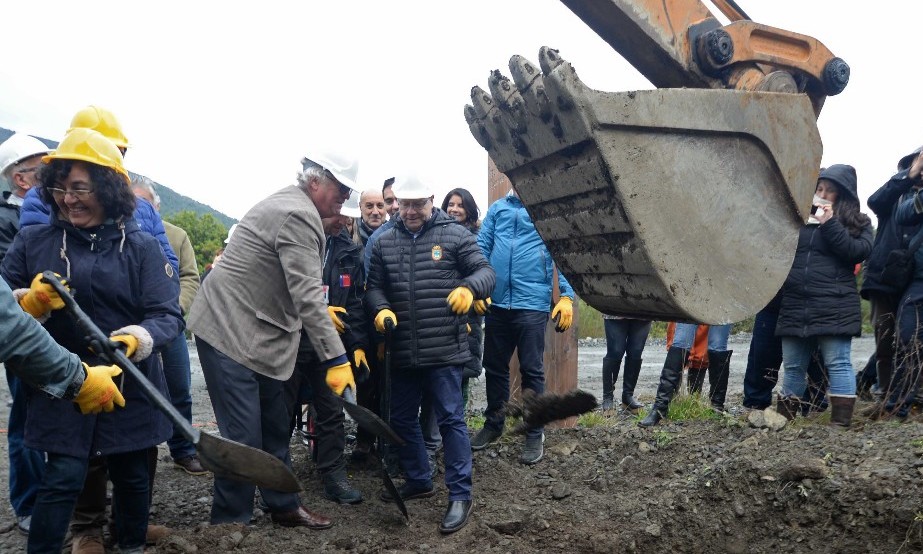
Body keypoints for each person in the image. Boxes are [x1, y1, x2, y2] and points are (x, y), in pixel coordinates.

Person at [0, 127, 184, 554]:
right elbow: (4, 302)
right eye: (61, 187)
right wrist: (30, 301)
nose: (68, 198)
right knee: (63, 475)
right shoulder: (34, 240)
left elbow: (167, 315)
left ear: (106, 189)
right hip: (64, 378)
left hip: (129, 378)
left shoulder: (140, 246)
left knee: (133, 474)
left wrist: (137, 340)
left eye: (80, 188)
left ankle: (130, 545)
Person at [187, 148, 360, 529]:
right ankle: (231, 524)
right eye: (342, 187)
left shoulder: (299, 206)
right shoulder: (298, 214)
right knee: (243, 435)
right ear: (316, 181)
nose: (346, 196)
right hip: (228, 331)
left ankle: (283, 505)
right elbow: (307, 295)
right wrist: (336, 359)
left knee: (274, 423)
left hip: (259, 331)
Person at [365, 173, 495, 534]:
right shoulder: (384, 241)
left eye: (417, 205)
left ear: (431, 200)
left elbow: (486, 272)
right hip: (403, 349)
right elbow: (373, 288)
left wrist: (470, 289)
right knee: (402, 419)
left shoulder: (455, 235)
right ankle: (420, 479)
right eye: (404, 205)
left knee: (451, 421)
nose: (409, 211)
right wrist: (380, 309)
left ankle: (460, 493)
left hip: (444, 349)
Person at [471, 186, 575, 465]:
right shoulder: (498, 209)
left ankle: (534, 430)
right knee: (493, 366)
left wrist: (566, 296)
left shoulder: (544, 209)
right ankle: (494, 423)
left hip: (532, 303)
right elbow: (481, 249)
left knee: (532, 369)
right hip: (497, 301)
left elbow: (561, 253)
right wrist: (478, 289)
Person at [18, 105, 180, 274]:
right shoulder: (43, 199)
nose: (111, 159)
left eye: (119, 153)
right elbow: (38, 260)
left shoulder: (143, 208)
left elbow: (168, 272)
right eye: (101, 149)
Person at [774, 164, 873, 426]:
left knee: (838, 362)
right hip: (797, 303)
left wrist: (829, 224)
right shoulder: (798, 221)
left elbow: (855, 252)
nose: (822, 194)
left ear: (843, 196)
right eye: (819, 188)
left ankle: (839, 425)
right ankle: (784, 422)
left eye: (830, 191)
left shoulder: (859, 223)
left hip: (834, 304)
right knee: (793, 367)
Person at [284, 203, 368, 504]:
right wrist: (316, 311)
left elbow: (356, 302)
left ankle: (333, 474)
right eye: (340, 213)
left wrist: (357, 344)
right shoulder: (298, 235)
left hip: (330, 342)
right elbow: (283, 286)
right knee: (282, 408)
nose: (345, 221)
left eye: (349, 217)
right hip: (291, 336)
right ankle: (279, 480)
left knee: (331, 409)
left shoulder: (350, 252)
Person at [130, 176, 206, 476]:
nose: (137, 207)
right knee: (130, 393)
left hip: (169, 325)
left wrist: (173, 311)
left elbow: (190, 276)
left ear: (156, 206)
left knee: (179, 389)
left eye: (144, 202)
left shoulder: (176, 235)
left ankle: (184, 449)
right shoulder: (115, 234)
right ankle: (125, 459)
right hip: (130, 328)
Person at [0, 132, 50, 535]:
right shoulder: (4, 221)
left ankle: (72, 492)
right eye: (44, 169)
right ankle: (30, 502)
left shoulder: (57, 210)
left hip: (60, 331)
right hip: (23, 333)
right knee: (28, 418)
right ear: (21, 179)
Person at [0, 277, 124, 414]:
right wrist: (77, 379)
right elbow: (13, 332)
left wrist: (140, 337)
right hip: (49, 387)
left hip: (56, 372)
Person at [858, 146, 923, 401]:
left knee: (913, 337)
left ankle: (909, 392)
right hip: (885, 277)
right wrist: (908, 175)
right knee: (884, 339)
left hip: (915, 279)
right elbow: (874, 201)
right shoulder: (895, 194)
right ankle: (885, 392)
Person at [881, 150, 923, 419]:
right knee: (908, 339)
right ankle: (897, 406)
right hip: (918, 281)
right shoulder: (912, 195)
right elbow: (902, 215)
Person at [638, 323, 733, 427]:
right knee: (680, 341)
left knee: (717, 346)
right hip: (693, 306)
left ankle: (717, 407)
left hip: (722, 308)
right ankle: (659, 409)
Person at [601, 316, 651, 412]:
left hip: (643, 310)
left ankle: (628, 396)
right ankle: (608, 397)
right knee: (615, 351)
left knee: (636, 351)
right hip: (616, 309)